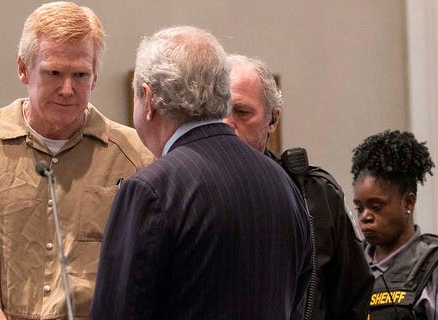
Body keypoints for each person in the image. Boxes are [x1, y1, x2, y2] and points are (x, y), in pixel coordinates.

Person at [0, 2, 153, 319]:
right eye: (53, 72)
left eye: (80, 75)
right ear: (23, 68)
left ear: (95, 77)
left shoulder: (136, 155)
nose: (67, 89)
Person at [90, 26, 312, 319]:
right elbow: (297, 298)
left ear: (148, 99)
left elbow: (119, 312)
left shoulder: (151, 189)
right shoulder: (282, 182)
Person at [222, 54, 374, 320]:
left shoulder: (316, 195)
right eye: (218, 112)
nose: (227, 124)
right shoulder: (185, 193)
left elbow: (353, 299)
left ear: (272, 119)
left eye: (242, 112)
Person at [352, 130, 437, 320]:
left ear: (408, 202)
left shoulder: (432, 267)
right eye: (360, 208)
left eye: (376, 207)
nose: (365, 217)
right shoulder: (352, 265)